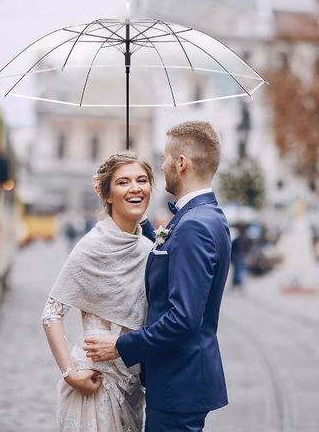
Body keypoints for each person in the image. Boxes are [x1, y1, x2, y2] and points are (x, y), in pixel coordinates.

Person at [84, 121, 232, 431]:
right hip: (181, 380)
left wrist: (121, 346)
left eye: (164, 158)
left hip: (179, 382)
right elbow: (170, 252)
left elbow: (183, 319)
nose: (161, 166)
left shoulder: (194, 225)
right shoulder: (203, 217)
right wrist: (138, 219)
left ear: (181, 163)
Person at [41, 152, 155, 431]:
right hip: (96, 383)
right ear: (106, 193)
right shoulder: (92, 246)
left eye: (142, 180)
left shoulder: (149, 248)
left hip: (132, 383)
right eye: (123, 182)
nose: (135, 188)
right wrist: (70, 373)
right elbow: (51, 314)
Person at [231, 224, 251, 289]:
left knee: (239, 271)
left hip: (240, 257)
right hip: (239, 257)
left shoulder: (244, 239)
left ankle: (238, 284)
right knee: (239, 271)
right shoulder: (239, 239)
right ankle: (237, 284)